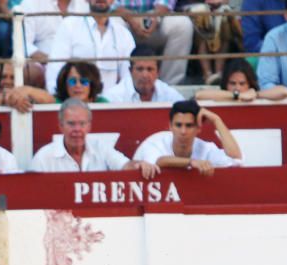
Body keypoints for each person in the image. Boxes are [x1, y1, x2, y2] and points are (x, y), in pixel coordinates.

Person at [31, 98, 160, 176]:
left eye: (82, 124)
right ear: (60, 126)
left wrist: (140, 164)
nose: (77, 129)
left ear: (89, 126)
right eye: (71, 124)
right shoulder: (43, 157)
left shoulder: (101, 148)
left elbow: (125, 165)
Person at [47, 0, 135, 97]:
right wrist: (57, 99)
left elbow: (128, 79)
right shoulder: (69, 25)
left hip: (111, 104)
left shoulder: (123, 34)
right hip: (75, 102)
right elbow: (55, 69)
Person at [132, 99, 242, 176]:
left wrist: (216, 119)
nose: (183, 131)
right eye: (178, 125)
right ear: (170, 126)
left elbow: (236, 159)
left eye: (189, 126)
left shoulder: (206, 148)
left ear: (198, 128)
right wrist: (191, 162)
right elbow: (159, 161)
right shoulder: (155, 142)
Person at [112, 0, 193, 86]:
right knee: (112, 25)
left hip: (155, 15)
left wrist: (154, 17)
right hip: (121, 16)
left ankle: (171, 86)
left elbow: (165, 2)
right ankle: (122, 86)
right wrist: (130, 17)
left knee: (182, 24)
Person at [14, 0, 88, 88]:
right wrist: (51, 61)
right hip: (44, 63)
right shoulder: (32, 3)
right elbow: (22, 43)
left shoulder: (85, 4)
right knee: (31, 72)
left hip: (80, 62)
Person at [107, 45, 184, 103]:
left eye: (150, 69)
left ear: (158, 73)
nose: (145, 75)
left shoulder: (169, 95)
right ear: (130, 71)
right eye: (140, 69)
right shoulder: (114, 97)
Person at [196, 58, 287, 101]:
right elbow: (199, 95)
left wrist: (255, 95)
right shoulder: (221, 95)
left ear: (250, 83)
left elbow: (284, 91)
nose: (237, 87)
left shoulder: (253, 94)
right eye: (232, 83)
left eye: (242, 84)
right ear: (225, 83)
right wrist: (237, 96)